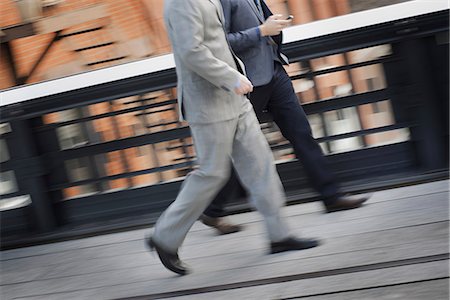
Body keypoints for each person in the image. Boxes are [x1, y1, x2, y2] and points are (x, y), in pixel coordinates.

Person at [146, 0, 319, 276]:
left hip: (236, 99)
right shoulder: (180, 3)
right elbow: (191, 51)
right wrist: (231, 77)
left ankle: (280, 235)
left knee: (261, 164)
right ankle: (165, 237)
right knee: (212, 173)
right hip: (208, 103)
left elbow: (219, 40)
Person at [200, 0, 369, 235]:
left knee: (301, 133)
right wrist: (261, 31)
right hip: (248, 82)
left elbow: (265, 23)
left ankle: (331, 196)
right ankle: (213, 209)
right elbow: (221, 43)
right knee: (238, 146)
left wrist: (274, 27)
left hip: (274, 71)